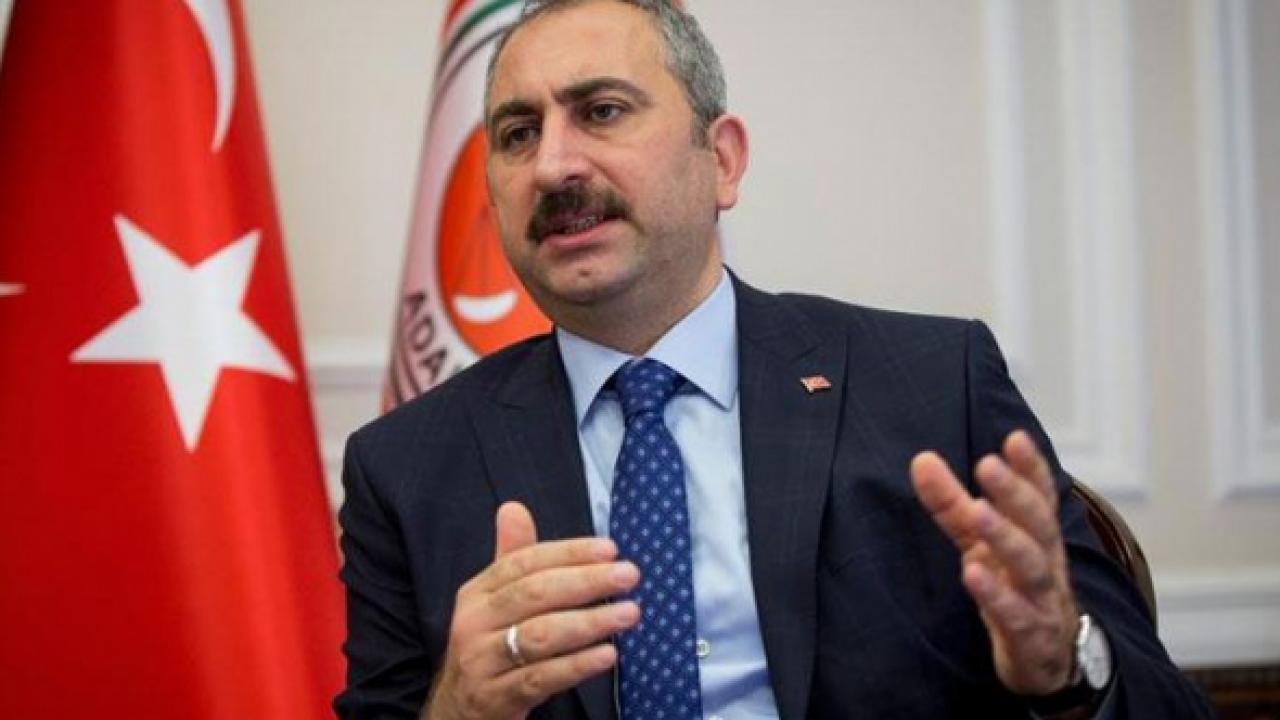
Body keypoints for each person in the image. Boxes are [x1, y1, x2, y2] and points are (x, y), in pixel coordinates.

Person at [334, 1, 1214, 718]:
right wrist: (460, 708)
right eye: (518, 133)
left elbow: (1161, 704)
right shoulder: (406, 467)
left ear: (721, 160)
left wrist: (1064, 666)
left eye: (601, 111)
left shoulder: (931, 385)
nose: (554, 164)